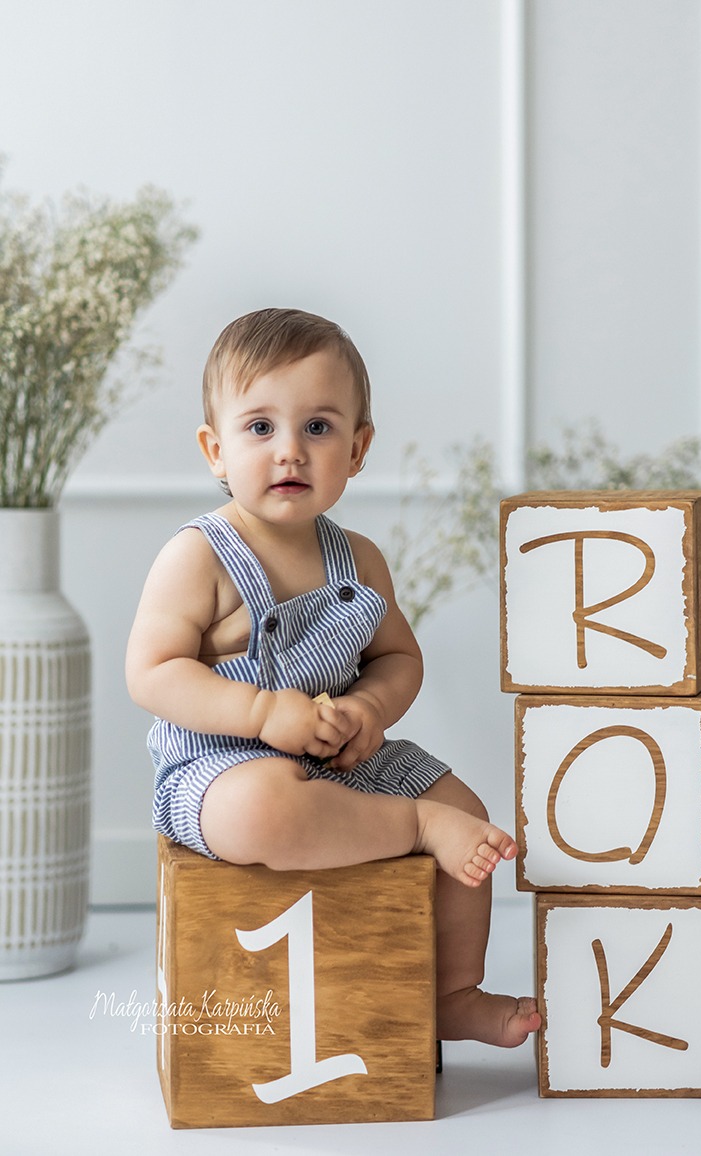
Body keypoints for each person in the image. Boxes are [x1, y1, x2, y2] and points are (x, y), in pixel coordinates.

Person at [126, 307, 540, 1048]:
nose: (290, 451)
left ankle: (451, 991)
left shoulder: (359, 559)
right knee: (265, 813)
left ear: (357, 448)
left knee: (463, 803)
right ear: (214, 449)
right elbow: (152, 673)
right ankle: (413, 829)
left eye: (317, 427)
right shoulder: (199, 556)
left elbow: (398, 659)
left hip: (340, 758)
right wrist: (257, 713)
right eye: (260, 429)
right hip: (219, 766)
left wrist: (370, 711)